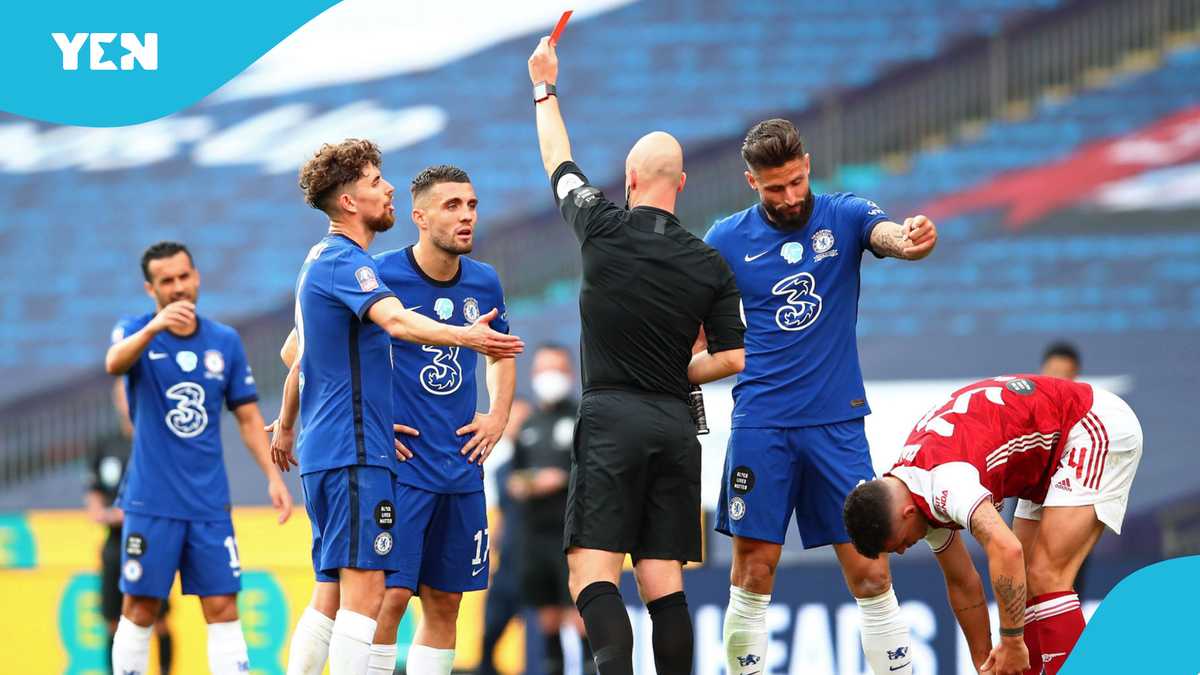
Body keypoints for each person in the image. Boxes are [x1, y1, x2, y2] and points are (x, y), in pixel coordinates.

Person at [529, 37, 747, 675]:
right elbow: (733, 359)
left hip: (611, 418)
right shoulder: (710, 264)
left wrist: (544, 86)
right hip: (676, 427)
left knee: (591, 574)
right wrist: (676, 368)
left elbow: (559, 160)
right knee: (663, 584)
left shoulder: (601, 224)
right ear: (682, 183)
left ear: (628, 181)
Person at [269, 142, 523, 675]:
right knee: (376, 597)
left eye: (472, 204)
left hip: (454, 463)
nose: (466, 215)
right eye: (452, 205)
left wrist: (498, 414)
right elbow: (303, 348)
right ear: (420, 217)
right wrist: (464, 341)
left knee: (426, 599)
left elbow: (500, 352)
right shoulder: (366, 269)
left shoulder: (482, 281)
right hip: (386, 460)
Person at [703, 118, 939, 675]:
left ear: (807, 165)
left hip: (837, 424)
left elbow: (889, 237)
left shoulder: (845, 214)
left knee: (871, 573)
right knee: (753, 572)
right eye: (774, 188)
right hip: (761, 423)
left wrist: (909, 239)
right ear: (751, 182)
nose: (789, 197)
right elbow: (692, 329)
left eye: (796, 181)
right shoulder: (725, 240)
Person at [843, 375, 1142, 675]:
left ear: (906, 514)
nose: (903, 551)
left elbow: (1007, 549)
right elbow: (962, 582)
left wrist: (1011, 642)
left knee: (1046, 576)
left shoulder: (947, 482)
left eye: (899, 543)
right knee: (1027, 583)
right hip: (1047, 454)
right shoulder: (912, 487)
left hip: (1091, 426)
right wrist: (984, 664)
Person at [104, 241, 295, 675]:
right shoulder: (134, 331)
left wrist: (272, 477)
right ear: (150, 289)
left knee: (223, 605)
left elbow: (247, 417)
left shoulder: (223, 341)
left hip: (208, 503)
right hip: (151, 501)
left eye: (183, 277)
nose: (177, 288)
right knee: (141, 606)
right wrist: (154, 328)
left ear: (197, 277)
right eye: (166, 281)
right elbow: (114, 363)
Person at [508, 343, 593, 675]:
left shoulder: (581, 416)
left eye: (555, 369)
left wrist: (560, 479)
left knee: (579, 610)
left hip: (573, 532)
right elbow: (514, 476)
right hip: (534, 532)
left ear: (569, 373)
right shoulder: (528, 424)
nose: (549, 376)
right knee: (546, 614)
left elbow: (594, 469)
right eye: (543, 369)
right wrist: (527, 483)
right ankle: (553, 665)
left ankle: (588, 664)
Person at [85, 381, 173, 675]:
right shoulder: (106, 444)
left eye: (131, 392)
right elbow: (94, 491)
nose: (127, 400)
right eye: (122, 395)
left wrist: (138, 511)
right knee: (113, 620)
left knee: (157, 618)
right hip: (115, 544)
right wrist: (103, 512)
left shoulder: (158, 441)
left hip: (151, 542)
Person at [478, 398, 532, 675]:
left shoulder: (557, 464)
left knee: (541, 637)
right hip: (509, 564)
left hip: (541, 561)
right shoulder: (501, 469)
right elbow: (499, 518)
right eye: (514, 420)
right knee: (489, 636)